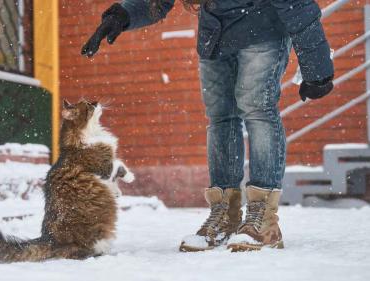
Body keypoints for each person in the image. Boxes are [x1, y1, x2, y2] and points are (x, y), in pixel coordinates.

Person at [81, 0, 334, 252]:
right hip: (215, 35)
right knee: (221, 118)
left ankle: (263, 219)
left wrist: (316, 67)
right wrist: (123, 15)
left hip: (263, 28)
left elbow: (296, 4)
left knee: (258, 110)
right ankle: (224, 214)